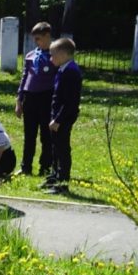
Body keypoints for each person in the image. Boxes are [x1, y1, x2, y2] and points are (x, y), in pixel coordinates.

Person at [15, 22, 56, 177]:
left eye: (38, 38)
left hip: (47, 97)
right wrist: (19, 100)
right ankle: (26, 167)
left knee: (46, 135)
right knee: (29, 134)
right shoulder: (31, 56)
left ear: (47, 36)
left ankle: (45, 167)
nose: (36, 42)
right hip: (30, 97)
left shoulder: (55, 55)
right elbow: (24, 77)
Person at [44, 38, 82, 195]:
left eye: (53, 54)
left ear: (63, 54)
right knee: (55, 148)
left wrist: (58, 120)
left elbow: (70, 102)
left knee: (62, 149)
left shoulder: (71, 72)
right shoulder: (62, 69)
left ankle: (63, 183)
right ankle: (54, 177)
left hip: (63, 118)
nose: (51, 58)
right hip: (57, 116)